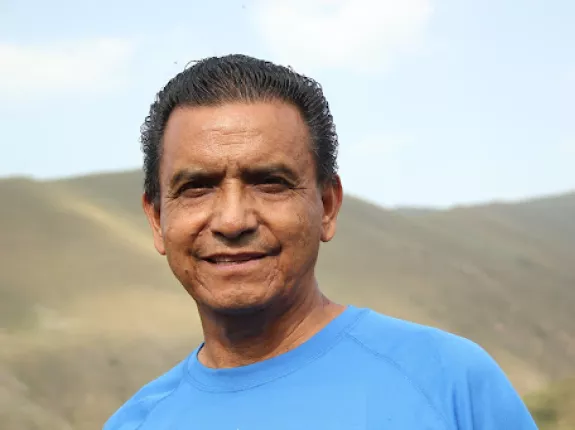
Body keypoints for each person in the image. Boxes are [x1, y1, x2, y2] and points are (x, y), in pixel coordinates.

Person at [103, 54, 538, 429]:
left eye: (270, 182)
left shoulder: (449, 384)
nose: (233, 220)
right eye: (197, 187)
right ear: (158, 219)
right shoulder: (135, 423)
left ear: (327, 206)